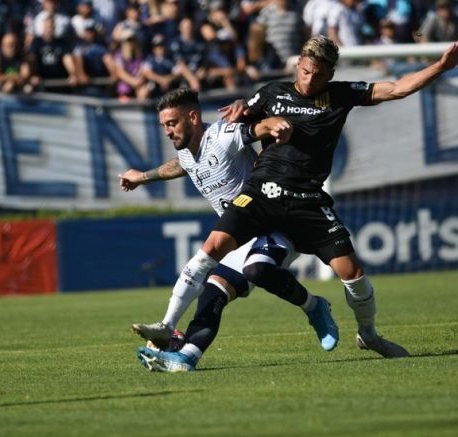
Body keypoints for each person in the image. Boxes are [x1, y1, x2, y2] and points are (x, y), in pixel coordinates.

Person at [132, 34, 458, 367]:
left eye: (319, 75)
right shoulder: (271, 92)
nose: (310, 80)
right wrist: (253, 113)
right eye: (305, 71)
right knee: (214, 252)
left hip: (308, 199)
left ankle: (366, 333)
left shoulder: (340, 95)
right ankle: (178, 344)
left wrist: (441, 66)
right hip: (262, 193)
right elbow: (250, 118)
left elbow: (397, 88)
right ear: (298, 65)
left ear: (331, 74)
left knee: (351, 273)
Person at [122, 88, 337, 372]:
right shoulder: (187, 152)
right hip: (240, 236)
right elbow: (178, 166)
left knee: (256, 270)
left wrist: (274, 123)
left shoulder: (223, 135)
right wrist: (142, 177)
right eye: (163, 126)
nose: (167, 132)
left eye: (171, 123)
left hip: (276, 226)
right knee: (212, 293)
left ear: (193, 117)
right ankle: (186, 358)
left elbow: (257, 128)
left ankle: (314, 306)